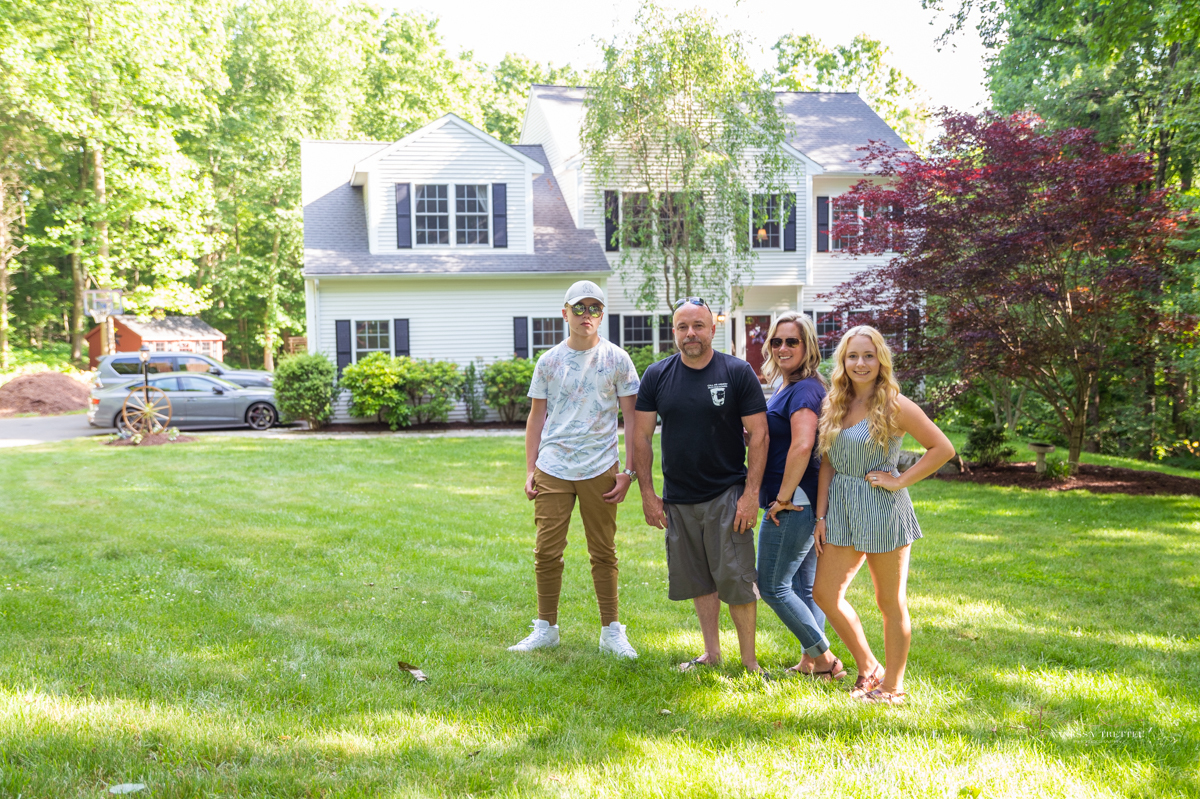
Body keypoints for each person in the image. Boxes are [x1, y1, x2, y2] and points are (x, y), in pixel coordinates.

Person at [811, 325, 955, 704]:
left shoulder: (893, 404)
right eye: (853, 356)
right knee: (825, 593)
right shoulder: (836, 402)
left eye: (869, 356)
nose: (860, 363)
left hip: (882, 509)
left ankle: (893, 688)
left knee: (889, 602)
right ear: (843, 361)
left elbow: (942, 448)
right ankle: (869, 666)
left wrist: (900, 480)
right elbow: (828, 463)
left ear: (881, 361)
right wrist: (821, 517)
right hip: (841, 508)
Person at [632, 297, 770, 674]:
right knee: (699, 580)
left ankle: (750, 662)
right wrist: (647, 494)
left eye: (698, 326)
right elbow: (640, 436)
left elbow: (759, 435)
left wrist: (751, 495)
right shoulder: (657, 375)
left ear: (712, 329)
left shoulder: (737, 372)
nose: (690, 333)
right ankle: (712, 653)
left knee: (736, 578)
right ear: (674, 331)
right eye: (683, 327)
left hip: (727, 493)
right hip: (678, 498)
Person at [508, 280, 641, 659]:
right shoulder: (548, 361)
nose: (587, 315)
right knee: (547, 551)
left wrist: (629, 471)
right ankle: (545, 628)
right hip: (553, 467)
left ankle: (611, 632)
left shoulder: (617, 359)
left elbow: (633, 419)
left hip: (601, 467)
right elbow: (536, 418)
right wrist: (530, 469)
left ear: (602, 314)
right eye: (579, 308)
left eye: (594, 308)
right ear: (564, 313)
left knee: (604, 552)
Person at [755, 312, 846, 680]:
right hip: (805, 499)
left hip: (795, 501)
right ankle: (811, 663)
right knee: (804, 587)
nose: (782, 348)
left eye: (791, 341)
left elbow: (803, 444)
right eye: (777, 341)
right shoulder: (791, 386)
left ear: (808, 346)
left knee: (772, 586)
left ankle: (825, 659)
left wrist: (781, 497)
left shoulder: (805, 389)